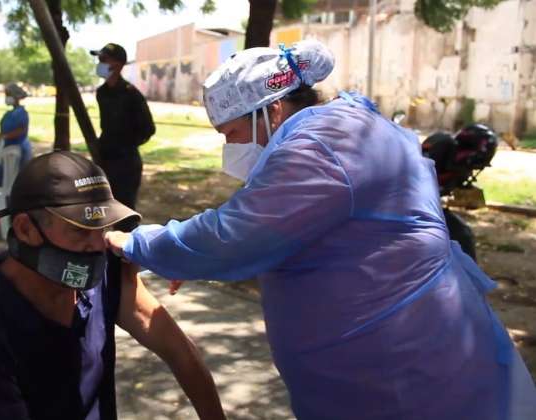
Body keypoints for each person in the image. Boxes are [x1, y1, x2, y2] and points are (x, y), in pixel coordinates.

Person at [105, 40, 536, 419]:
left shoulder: (321, 146)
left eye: (231, 132)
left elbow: (236, 235)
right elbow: (301, 236)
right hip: (389, 369)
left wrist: (137, 244)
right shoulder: (335, 130)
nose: (229, 148)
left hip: (408, 376)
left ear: (271, 109)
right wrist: (199, 259)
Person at [0, 151, 225, 420]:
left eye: (103, 229)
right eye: (80, 230)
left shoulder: (108, 275)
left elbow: (179, 351)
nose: (96, 245)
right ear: (26, 229)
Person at [91, 43, 155, 232]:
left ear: (118, 64)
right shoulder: (101, 93)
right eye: (99, 59)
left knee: (124, 216)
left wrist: (125, 145)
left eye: (104, 59)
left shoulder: (131, 94)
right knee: (102, 212)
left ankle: (126, 258)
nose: (100, 63)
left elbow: (148, 128)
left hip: (126, 163)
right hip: (105, 160)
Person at [0, 83, 31, 168]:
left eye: (8, 95)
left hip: (18, 148)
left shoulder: (21, 113)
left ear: (16, 97)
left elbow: (22, 130)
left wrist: (5, 136)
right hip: (7, 147)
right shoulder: (8, 114)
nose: (6, 98)